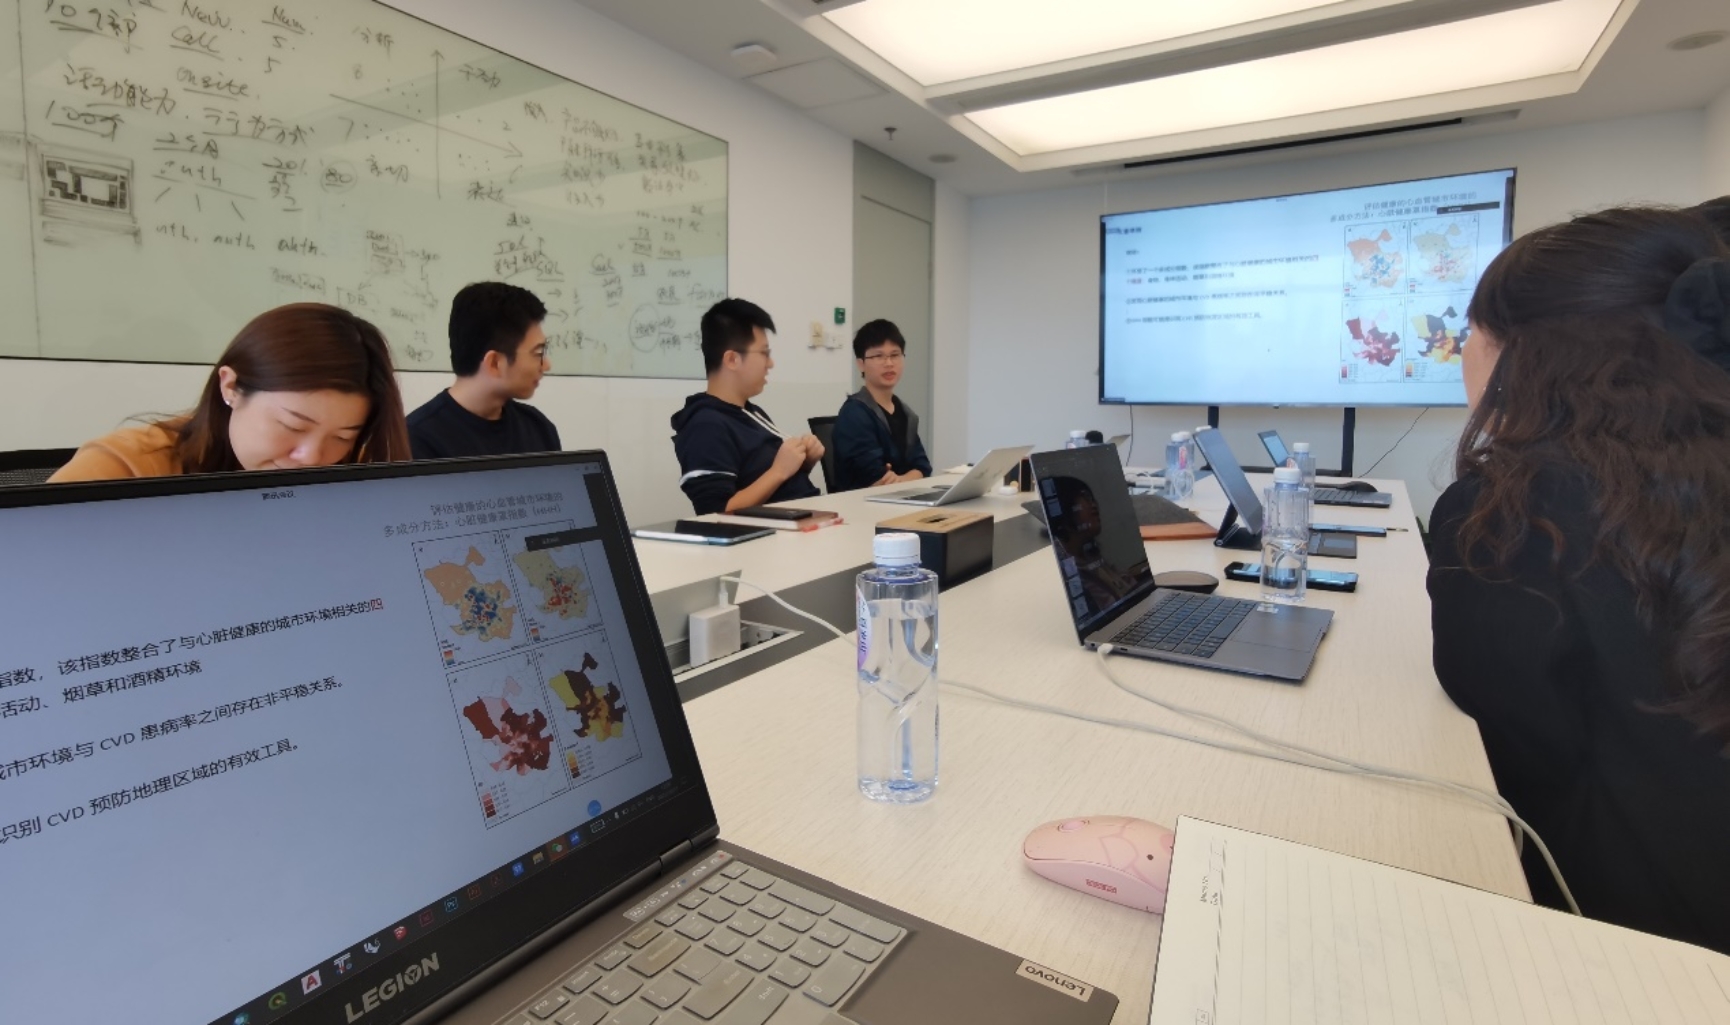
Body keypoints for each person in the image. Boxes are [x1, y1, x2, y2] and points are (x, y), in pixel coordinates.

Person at [1426, 206, 1730, 954]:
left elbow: (1510, 746)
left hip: (1618, 938)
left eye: (1471, 332)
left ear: (1521, 352)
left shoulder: (1511, 508)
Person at [50, 303, 410, 482]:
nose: (312, 457)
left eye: (342, 437)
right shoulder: (127, 467)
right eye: (293, 426)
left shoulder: (355, 473)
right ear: (231, 387)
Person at [670, 298, 822, 514]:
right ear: (732, 359)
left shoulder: (750, 412)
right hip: (775, 533)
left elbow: (772, 487)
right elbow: (715, 513)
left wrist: (802, 463)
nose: (770, 363)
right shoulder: (705, 425)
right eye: (764, 353)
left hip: (805, 518)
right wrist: (779, 471)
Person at [406, 282, 561, 459]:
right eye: (538, 353)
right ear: (494, 363)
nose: (546, 365)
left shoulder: (538, 428)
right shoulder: (417, 440)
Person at [831, 319, 933, 491]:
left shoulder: (905, 413)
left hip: (902, 497)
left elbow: (923, 467)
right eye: (878, 356)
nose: (889, 363)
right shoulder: (854, 414)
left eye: (895, 355)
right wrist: (906, 478)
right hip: (862, 503)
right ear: (861, 364)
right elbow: (875, 479)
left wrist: (901, 479)